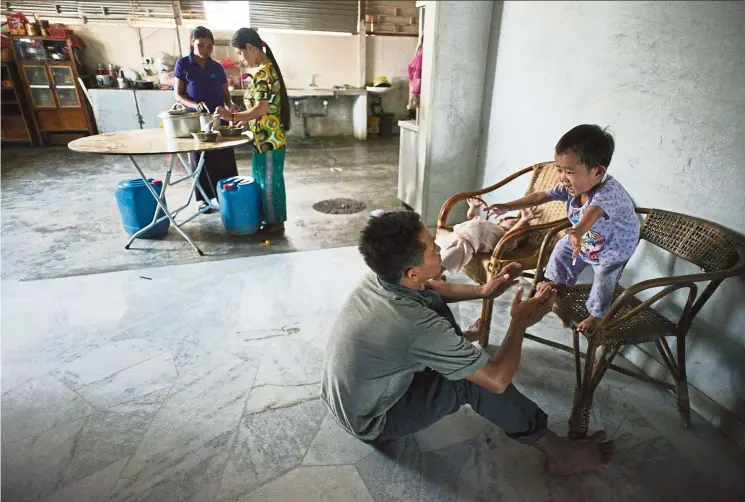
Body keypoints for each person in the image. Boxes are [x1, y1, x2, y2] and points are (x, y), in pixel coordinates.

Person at [321, 211, 615, 476]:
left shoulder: (383, 277)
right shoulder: (414, 324)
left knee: (431, 300)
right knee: (473, 382)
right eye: (432, 246)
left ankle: (454, 352)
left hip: (346, 399)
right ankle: (559, 455)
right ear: (412, 271)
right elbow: (497, 381)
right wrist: (519, 323)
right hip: (372, 419)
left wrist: (483, 290)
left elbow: (430, 286)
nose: (439, 245)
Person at [487, 124, 640, 334]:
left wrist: (577, 232)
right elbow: (542, 196)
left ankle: (596, 315)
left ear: (598, 171)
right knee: (562, 249)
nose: (561, 177)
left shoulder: (609, 194)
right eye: (559, 169)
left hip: (612, 247)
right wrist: (509, 206)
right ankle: (557, 283)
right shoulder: (572, 187)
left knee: (605, 278)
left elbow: (593, 213)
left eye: (569, 172)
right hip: (587, 238)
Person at [216, 28, 290, 234]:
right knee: (263, 179)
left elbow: (261, 109)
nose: (241, 59)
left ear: (250, 47)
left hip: (270, 140)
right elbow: (259, 111)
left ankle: (275, 222)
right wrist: (243, 121)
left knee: (269, 181)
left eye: (240, 53)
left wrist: (230, 117)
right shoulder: (265, 71)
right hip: (263, 138)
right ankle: (270, 218)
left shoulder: (266, 72)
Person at [173, 26, 238, 213]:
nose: (205, 50)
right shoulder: (183, 64)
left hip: (218, 117)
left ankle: (226, 194)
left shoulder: (216, 67)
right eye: (200, 45)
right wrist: (194, 105)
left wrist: (230, 105)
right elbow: (178, 95)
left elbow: (225, 93)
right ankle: (202, 199)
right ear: (192, 44)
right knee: (200, 158)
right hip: (196, 119)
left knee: (223, 157)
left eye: (209, 46)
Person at [436, 197, 540, 272]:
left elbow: (510, 237)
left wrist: (523, 220)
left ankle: (434, 279)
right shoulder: (491, 225)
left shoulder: (506, 238)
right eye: (514, 220)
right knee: (435, 256)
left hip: (464, 245)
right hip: (454, 235)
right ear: (501, 221)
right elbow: (471, 216)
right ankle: (432, 276)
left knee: (443, 263)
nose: (517, 223)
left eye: (520, 227)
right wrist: (473, 207)